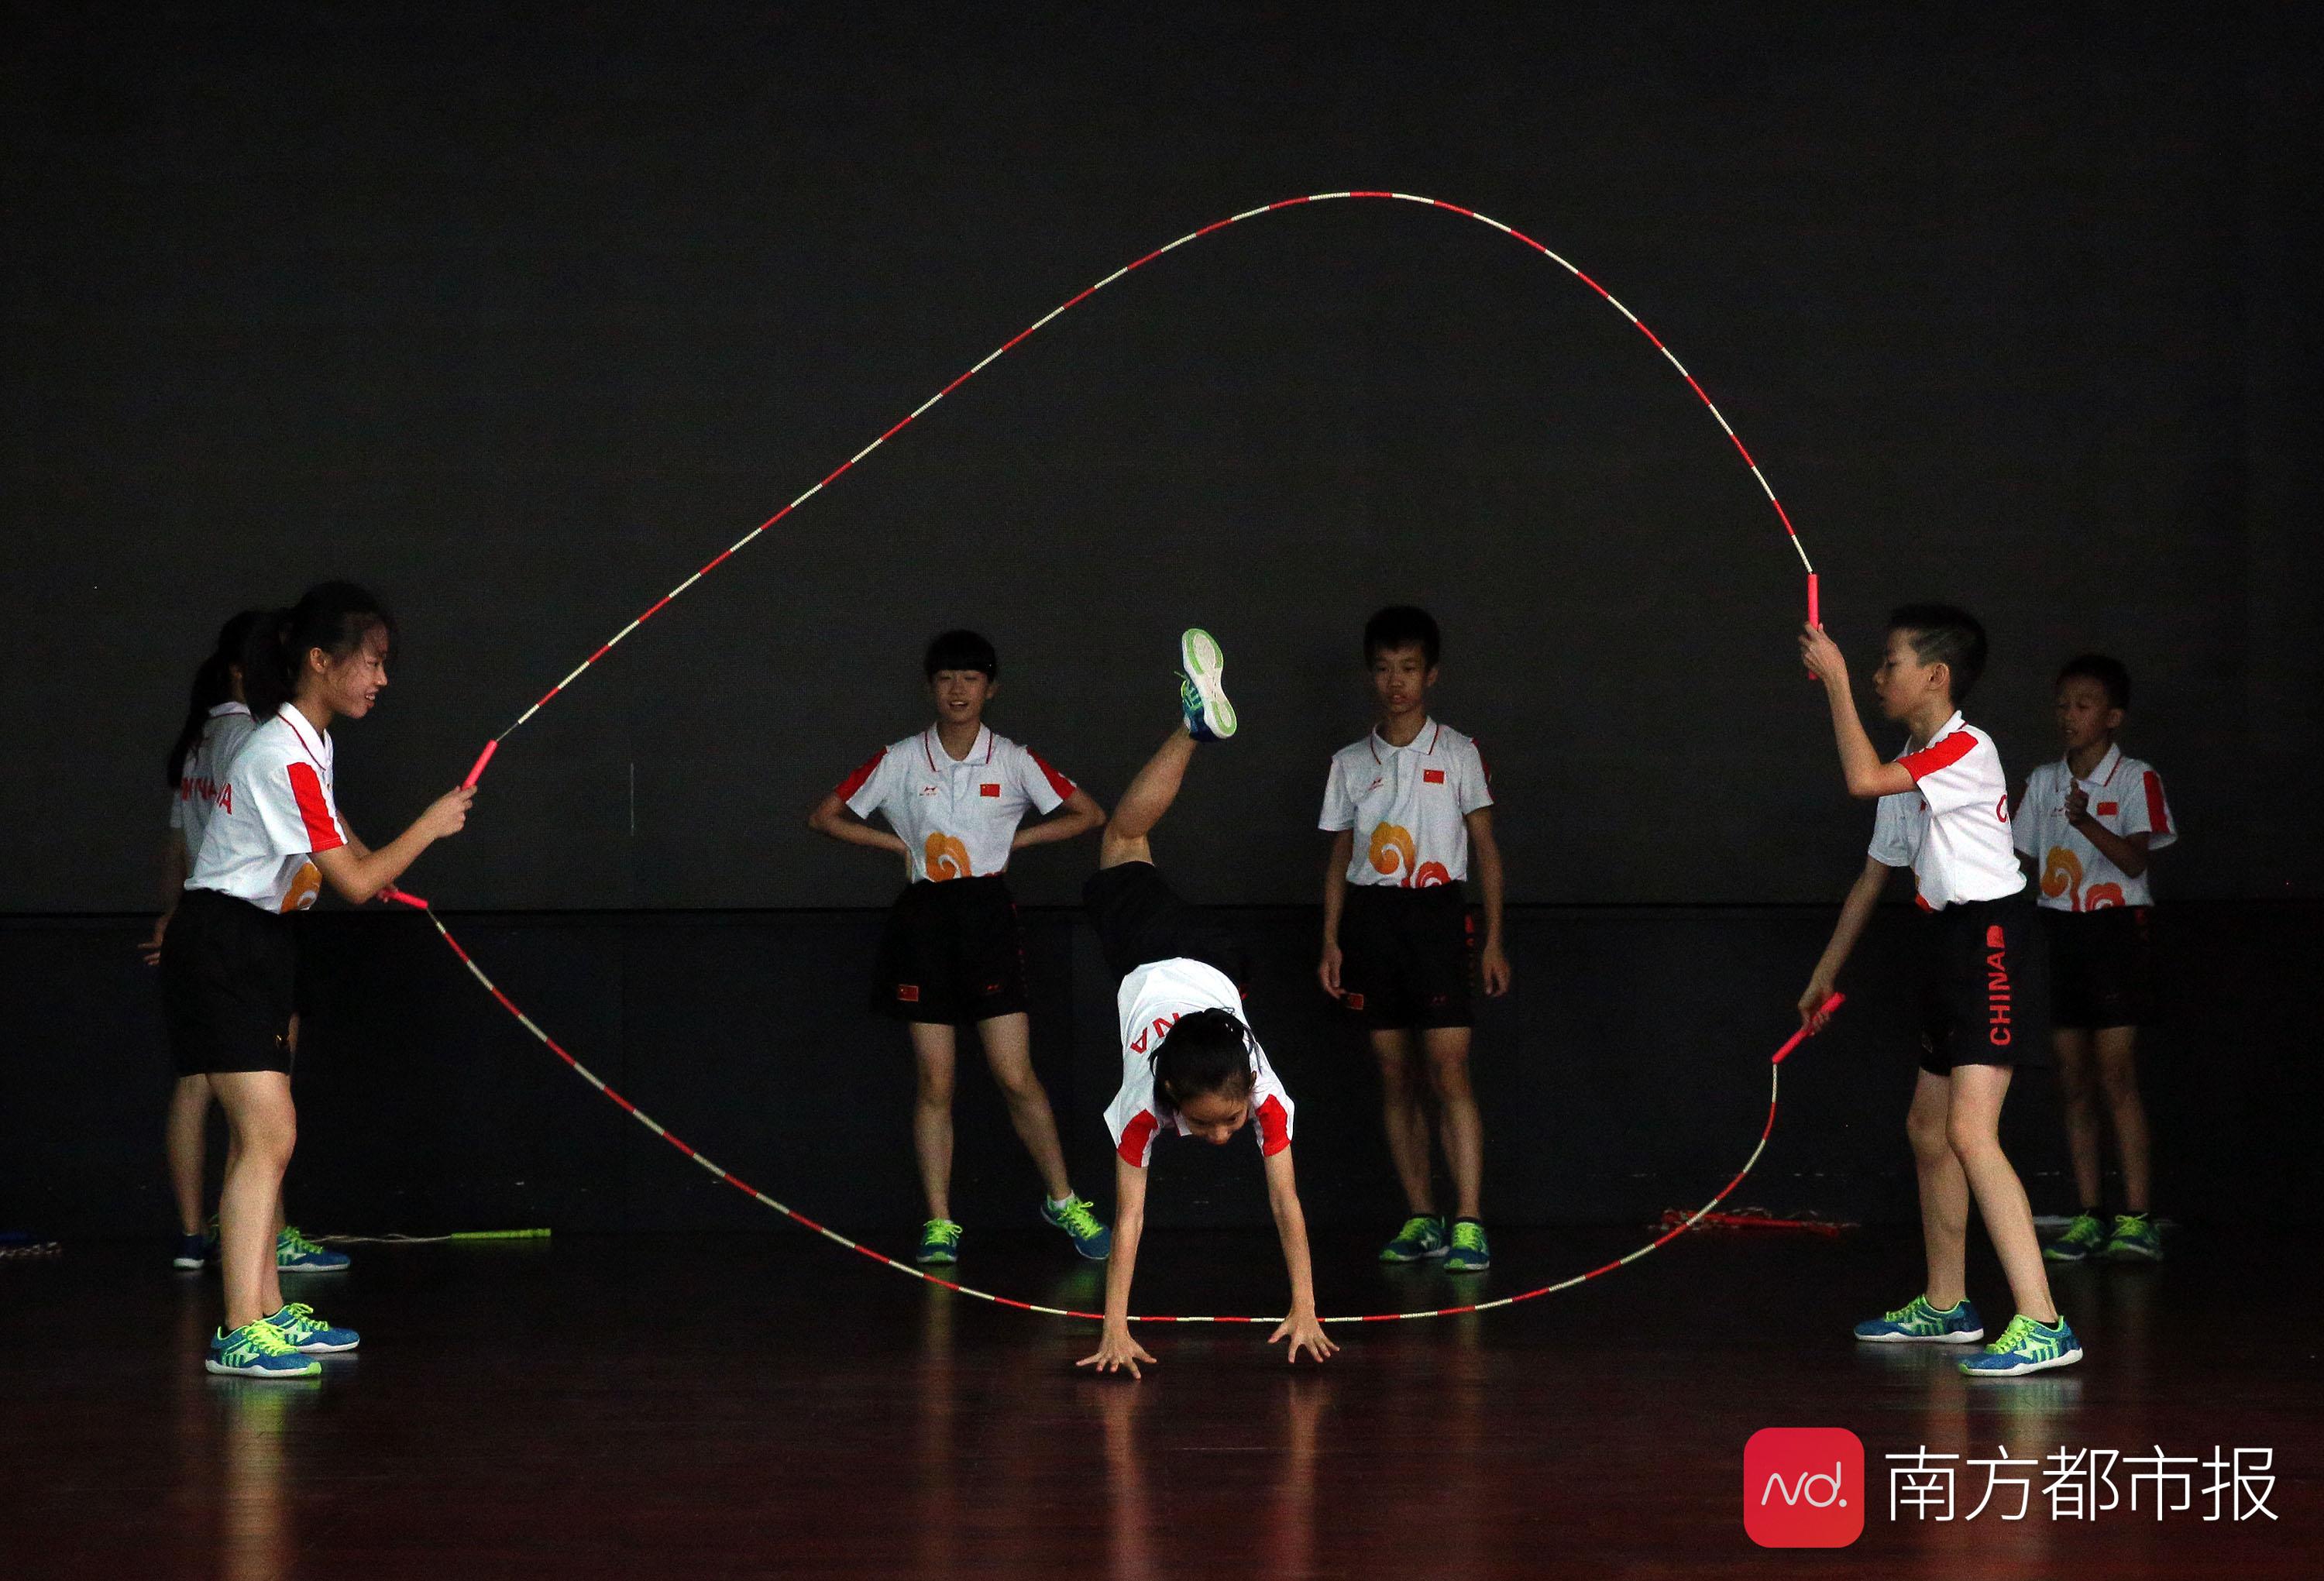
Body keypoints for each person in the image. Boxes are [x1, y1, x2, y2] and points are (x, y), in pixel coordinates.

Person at [161, 583, 473, 1377]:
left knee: (265, 1135)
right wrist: (429, 829)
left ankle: (266, 1313)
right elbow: (358, 880)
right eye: (370, 663)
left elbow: (336, 840)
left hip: (260, 939)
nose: (381, 679)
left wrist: (391, 859)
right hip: (226, 942)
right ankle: (238, 1331)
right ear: (318, 661)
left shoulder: (309, 746)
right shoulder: (281, 752)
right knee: (270, 1133)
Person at [1796, 606, 2080, 1377]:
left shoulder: (1964, 748)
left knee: (1970, 1132)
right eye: (1876, 665)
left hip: (1994, 940)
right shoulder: (1913, 760)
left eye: (1890, 662)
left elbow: (1858, 778)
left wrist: (1837, 682)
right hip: (1945, 942)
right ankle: (1948, 1303)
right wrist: (1825, 974)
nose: (1882, 674)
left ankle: (2045, 1321)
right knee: (1929, 1130)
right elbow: (1872, 877)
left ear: (1937, 676)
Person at [1078, 628, 1336, 1377]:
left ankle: (1191, 726)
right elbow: (1128, 1220)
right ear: (1170, 1096)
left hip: (1202, 960)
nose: (1225, 1136)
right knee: (1125, 837)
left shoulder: (1259, 1093)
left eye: (1229, 1119)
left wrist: (1306, 1306)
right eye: (1213, 1123)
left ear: (1247, 1087)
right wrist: (1114, 1329)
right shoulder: (1145, 1100)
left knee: (1127, 837)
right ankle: (1190, 727)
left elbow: (1287, 1207)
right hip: (1186, 953)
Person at [808, 629, 1110, 1266]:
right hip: (923, 921)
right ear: (930, 686)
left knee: (1014, 1073)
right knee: (935, 1080)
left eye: (971, 678)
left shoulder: (1015, 759)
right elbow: (825, 815)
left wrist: (1014, 844)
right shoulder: (899, 758)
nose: (958, 689)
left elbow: (1090, 813)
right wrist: (898, 847)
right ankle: (940, 1220)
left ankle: (1062, 1199)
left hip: (987, 916)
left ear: (990, 687)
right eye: (946, 677)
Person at [146, 611, 351, 1277]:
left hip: (213, 924)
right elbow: (332, 858)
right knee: (263, 1129)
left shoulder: (202, 740)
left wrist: (169, 915)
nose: (375, 677)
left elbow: (179, 840)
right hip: (238, 930)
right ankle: (251, 1299)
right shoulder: (264, 741)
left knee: (221, 1103)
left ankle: (197, 1239)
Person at [1316, 606, 1508, 1272]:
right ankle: (1422, 1215)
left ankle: (1470, 1220)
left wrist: (1491, 939)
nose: (1396, 682)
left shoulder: (1457, 751)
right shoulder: (1348, 762)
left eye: (1408, 669)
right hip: (1372, 924)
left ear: (1431, 675)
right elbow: (1340, 857)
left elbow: (1486, 849)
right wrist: (1332, 940)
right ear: (1372, 676)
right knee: (1395, 1074)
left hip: (1438, 918)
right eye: (1384, 669)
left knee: (1449, 1067)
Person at [2013, 654, 2175, 1263]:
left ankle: (2137, 1216)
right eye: (2062, 704)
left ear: (2113, 716)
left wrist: (2085, 823)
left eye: (2083, 705)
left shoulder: (2136, 778)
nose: (2069, 716)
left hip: (2117, 931)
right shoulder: (2043, 781)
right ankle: (2089, 1214)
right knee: (2073, 1081)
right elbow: (2020, 858)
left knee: (2116, 1075)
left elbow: (2136, 862)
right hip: (2061, 928)